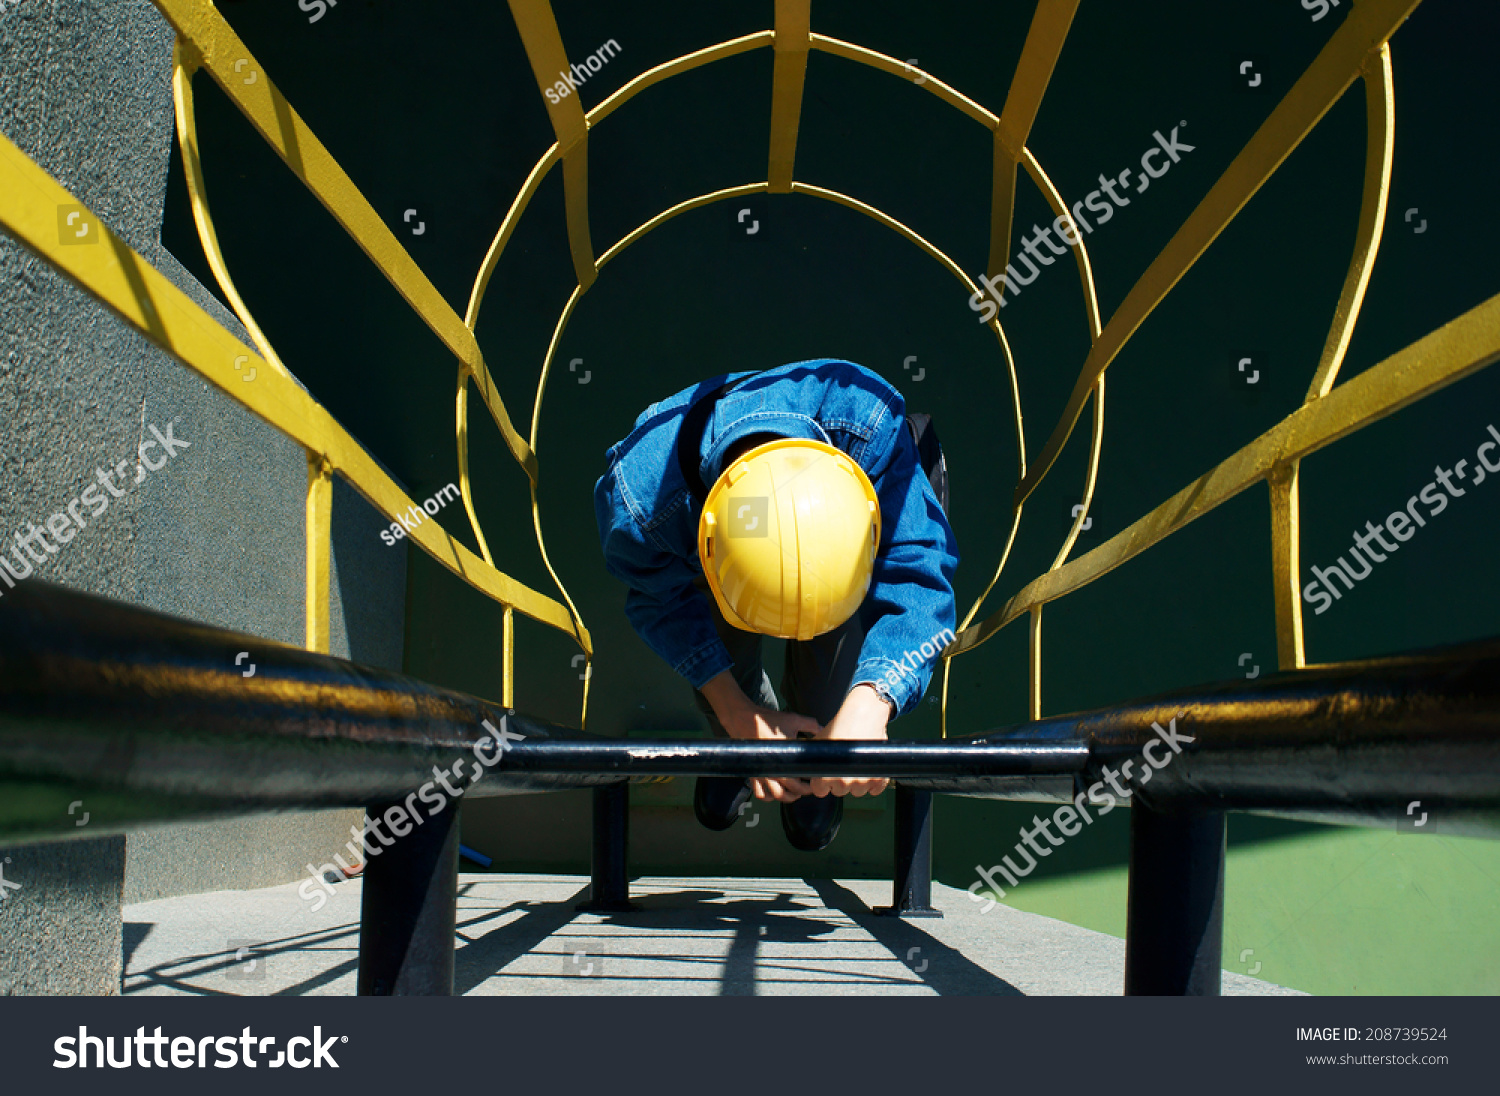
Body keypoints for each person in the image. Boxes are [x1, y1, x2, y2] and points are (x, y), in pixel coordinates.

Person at [593, 358, 958, 852]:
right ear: (709, 549)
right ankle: (739, 742)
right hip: (697, 532)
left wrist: (871, 701)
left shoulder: (873, 427)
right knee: (723, 653)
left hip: (843, 512)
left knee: (833, 692)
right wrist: (736, 712)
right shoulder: (641, 503)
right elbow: (661, 601)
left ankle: (811, 761)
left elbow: (920, 572)